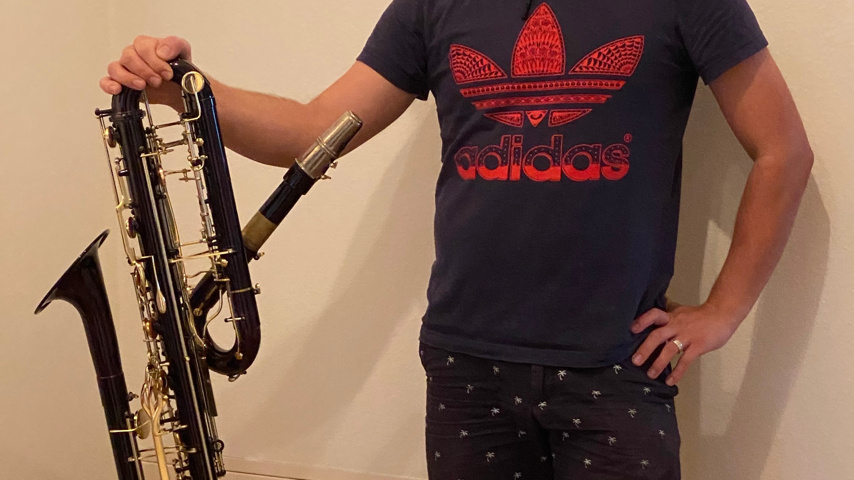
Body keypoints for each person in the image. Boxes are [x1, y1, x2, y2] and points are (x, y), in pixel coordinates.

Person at [101, 0, 812, 478]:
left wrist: (724, 312)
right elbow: (310, 130)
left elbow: (783, 151)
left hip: (615, 369)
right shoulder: (433, 5)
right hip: (467, 366)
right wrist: (185, 87)